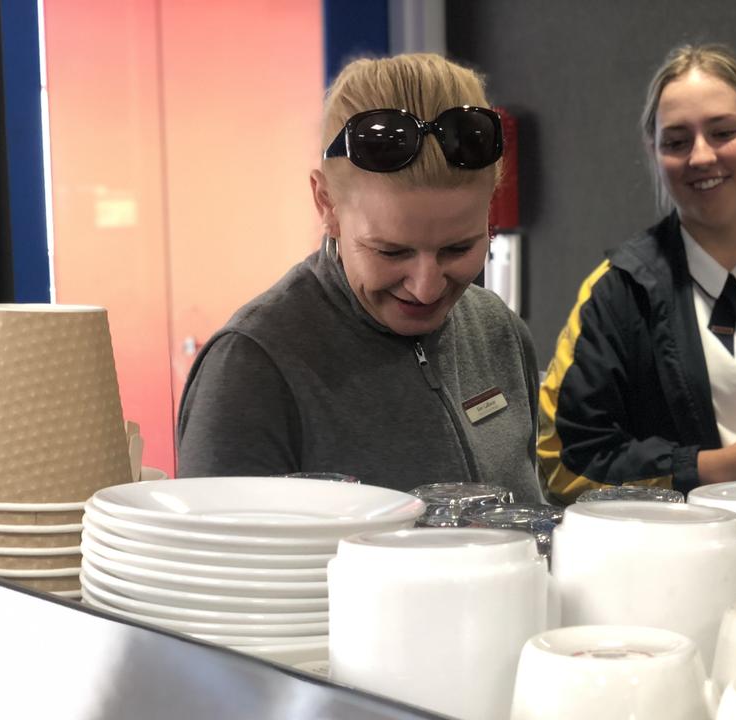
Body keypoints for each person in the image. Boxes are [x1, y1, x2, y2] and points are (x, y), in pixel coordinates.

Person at [176, 54, 544, 503]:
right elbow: (217, 567)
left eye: (458, 249)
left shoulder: (498, 332)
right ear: (326, 203)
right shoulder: (253, 367)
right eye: (391, 251)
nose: (426, 286)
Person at [538, 45, 736, 504]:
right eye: (676, 141)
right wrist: (717, 468)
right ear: (652, 151)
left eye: (722, 131)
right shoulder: (618, 293)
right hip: (687, 554)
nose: (701, 156)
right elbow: (565, 459)